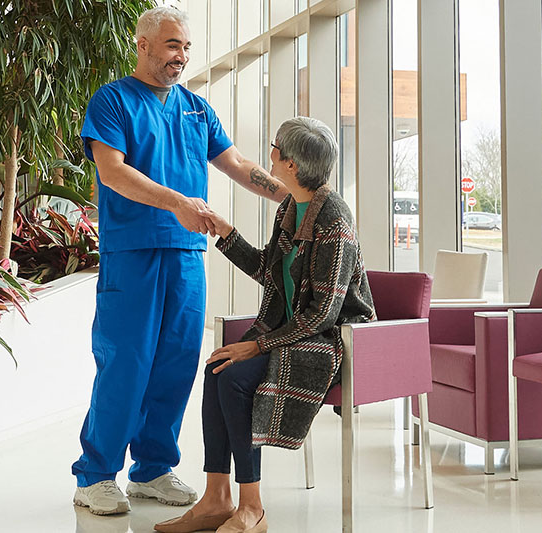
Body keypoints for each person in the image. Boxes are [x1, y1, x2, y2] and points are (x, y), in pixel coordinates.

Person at [71, 6, 288, 516]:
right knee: (126, 364)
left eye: (186, 47)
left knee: (176, 366)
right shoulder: (113, 101)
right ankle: (96, 474)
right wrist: (178, 203)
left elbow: (235, 164)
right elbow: (113, 174)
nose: (181, 56)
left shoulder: (196, 108)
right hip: (134, 253)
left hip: (188, 256)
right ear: (143, 44)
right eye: (172, 45)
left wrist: (293, 197)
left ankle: (151, 469)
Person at [154, 117, 376, 533]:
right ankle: (217, 498)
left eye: (275, 148)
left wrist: (256, 346)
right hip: (291, 333)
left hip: (328, 341)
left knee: (235, 377)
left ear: (290, 164)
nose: (268, 154)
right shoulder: (291, 208)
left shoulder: (334, 220)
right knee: (217, 367)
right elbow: (269, 271)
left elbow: (325, 313)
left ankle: (251, 506)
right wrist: (225, 233)